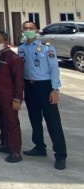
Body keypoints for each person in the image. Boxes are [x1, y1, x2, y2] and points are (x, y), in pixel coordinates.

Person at [18, 21, 67, 170]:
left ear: (36, 30)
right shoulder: (21, 48)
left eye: (30, 29)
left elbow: (54, 69)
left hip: (44, 87)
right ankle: (39, 146)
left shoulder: (46, 47)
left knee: (52, 121)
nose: (28, 31)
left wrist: (55, 89)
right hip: (29, 86)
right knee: (34, 118)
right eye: (25, 29)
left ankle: (60, 154)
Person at [0, 31, 24, 163]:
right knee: (1, 121)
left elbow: (19, 81)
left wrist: (17, 99)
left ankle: (15, 152)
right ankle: (5, 144)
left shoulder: (13, 59)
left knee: (12, 124)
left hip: (9, 98)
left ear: (5, 41)